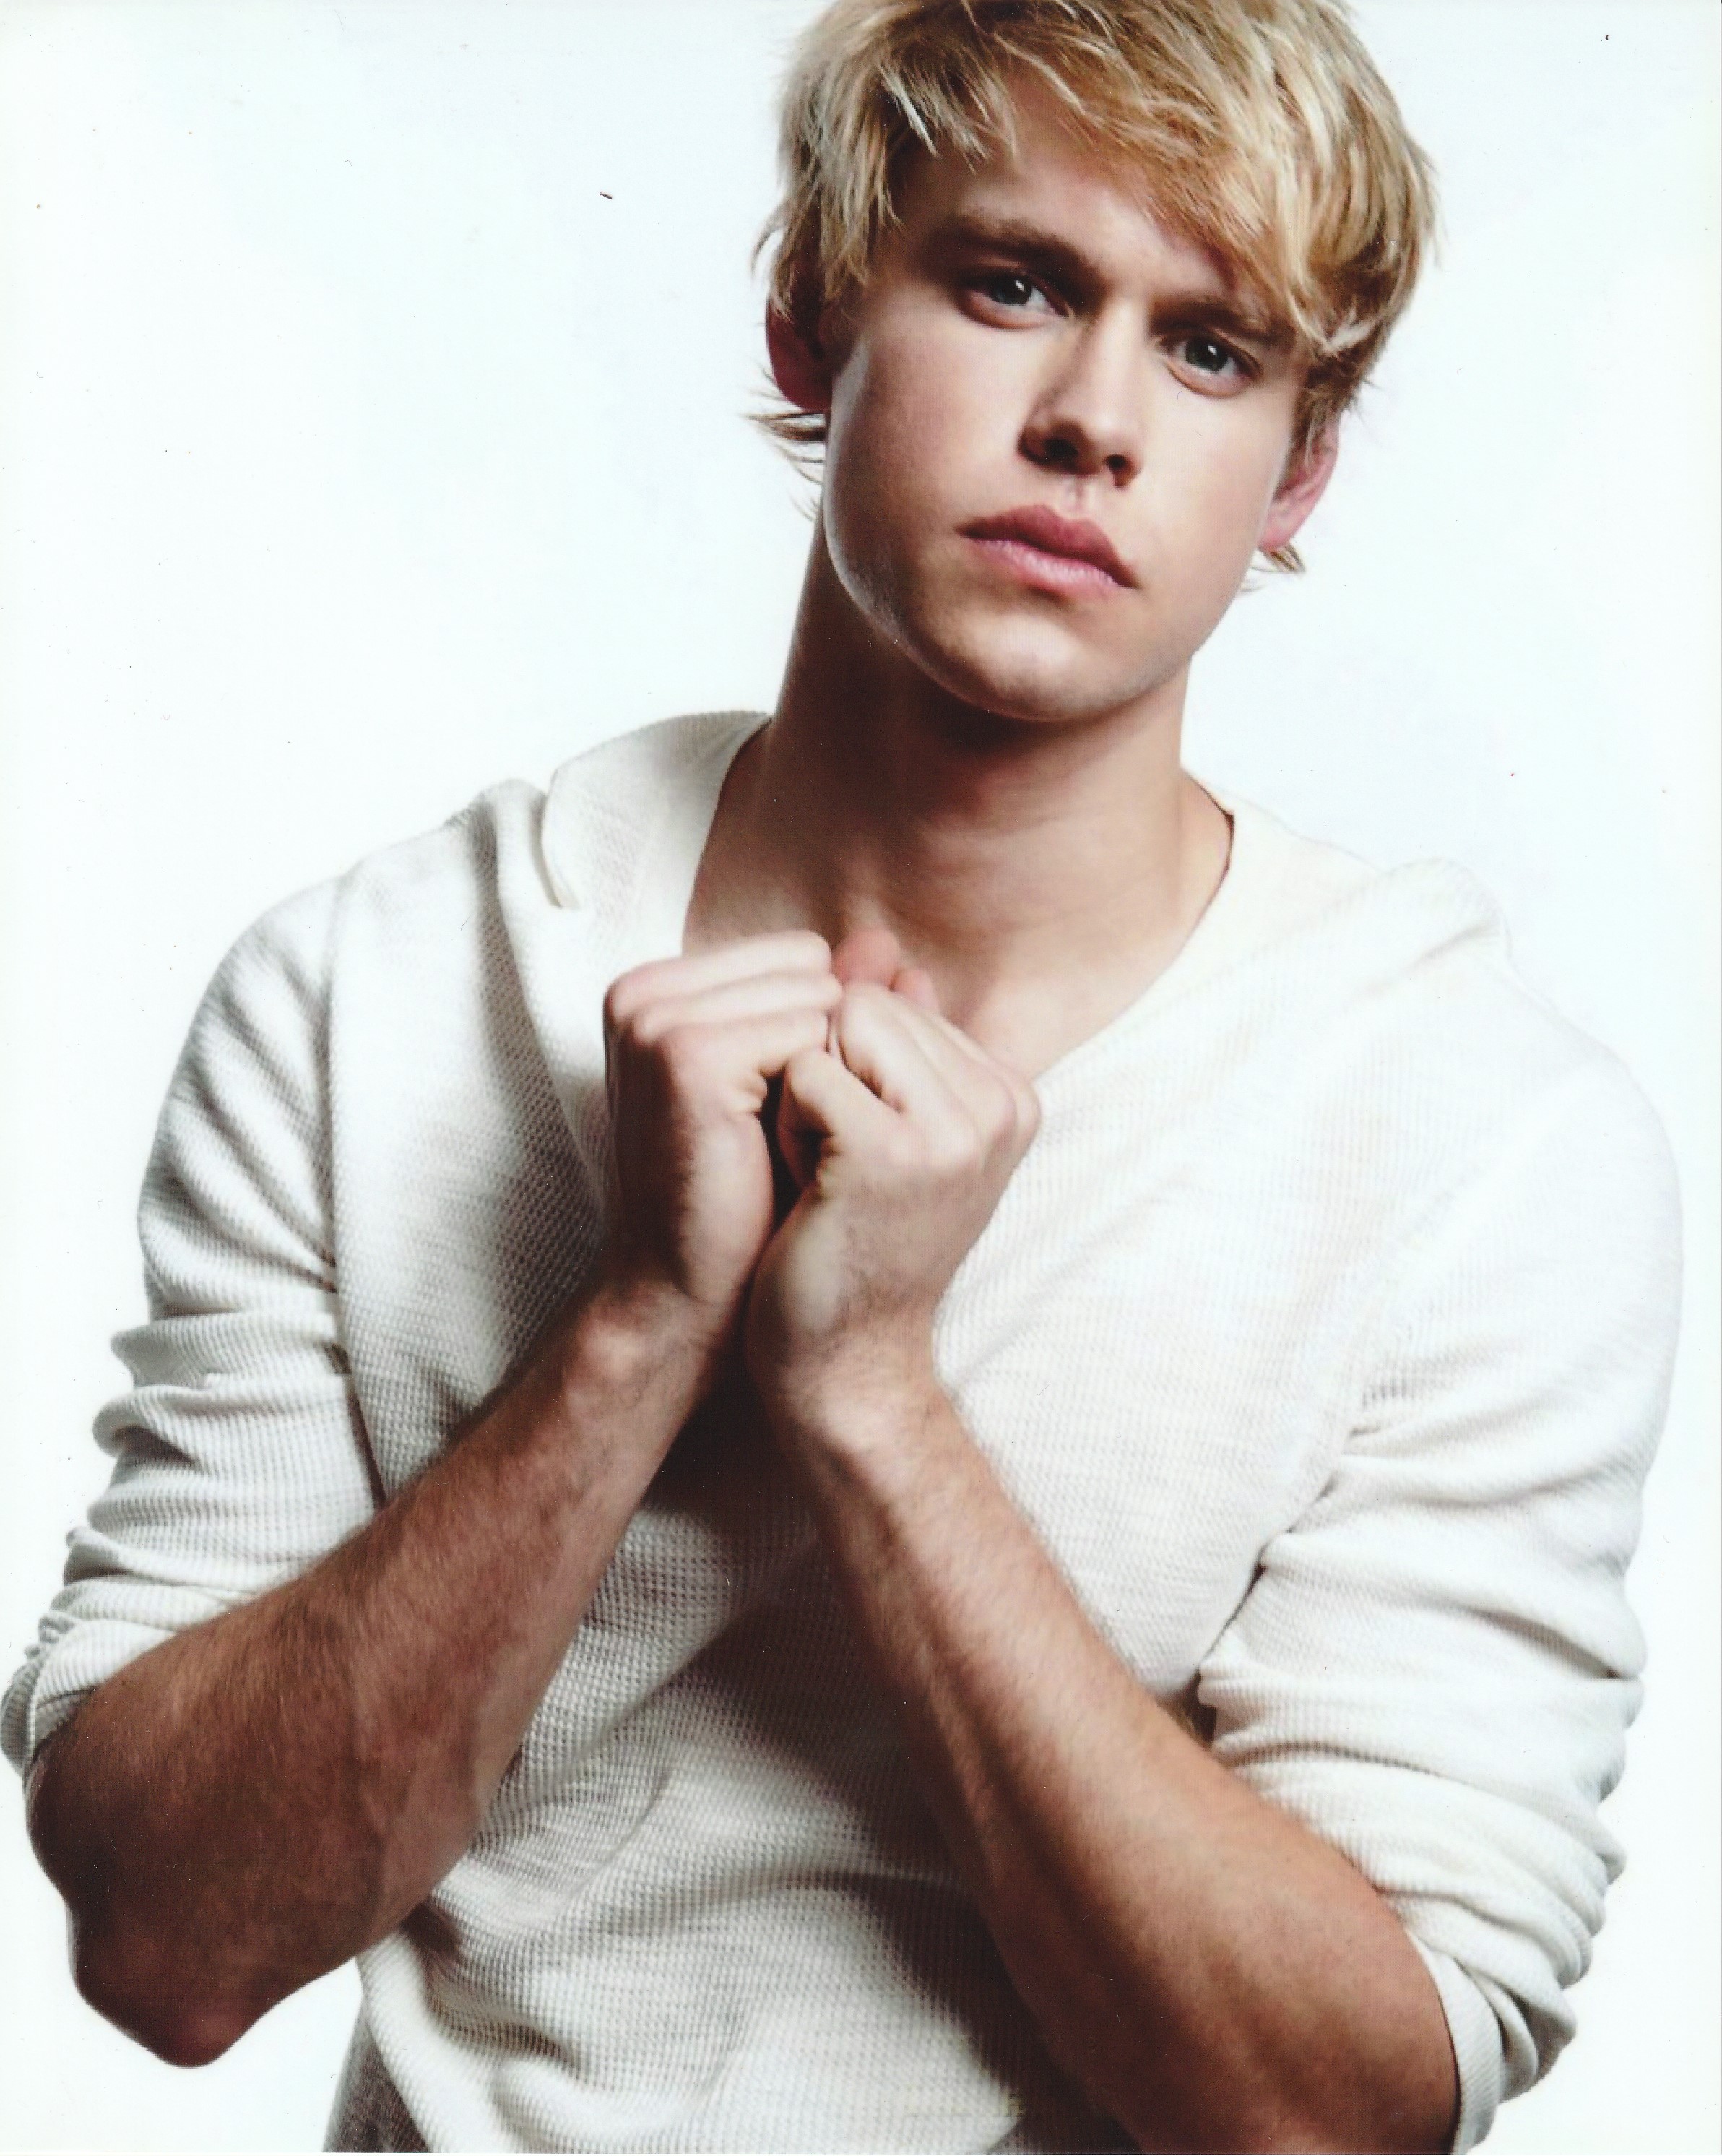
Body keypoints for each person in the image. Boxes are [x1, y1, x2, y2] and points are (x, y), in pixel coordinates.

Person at [2, 0, 1683, 2149]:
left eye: (1209, 350)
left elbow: (1339, 2114)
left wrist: (876, 1395)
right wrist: (635, 1325)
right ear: (813, 322)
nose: (1093, 423)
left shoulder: (1481, 1139)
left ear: (1300, 468)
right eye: (1015, 285)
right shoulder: (383, 989)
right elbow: (168, 1940)